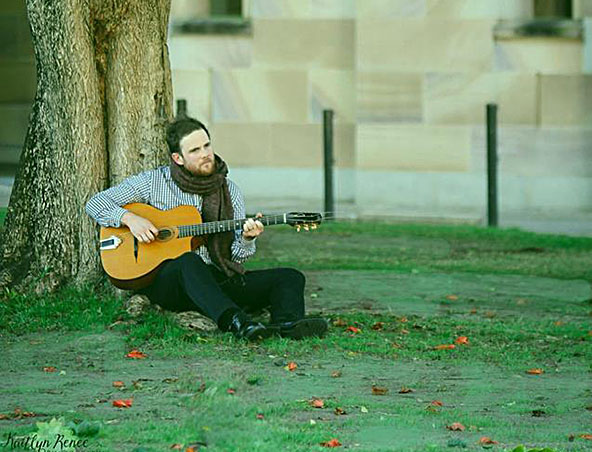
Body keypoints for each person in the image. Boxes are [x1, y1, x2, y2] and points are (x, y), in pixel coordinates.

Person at [86, 117, 328, 341]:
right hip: (170, 283)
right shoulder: (153, 182)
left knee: (290, 277)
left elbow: (235, 257)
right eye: (195, 150)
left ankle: (287, 325)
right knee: (189, 262)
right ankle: (237, 322)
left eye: (207, 146)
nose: (206, 155)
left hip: (216, 279)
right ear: (177, 158)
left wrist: (246, 238)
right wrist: (130, 218)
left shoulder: (229, 190)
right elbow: (95, 203)